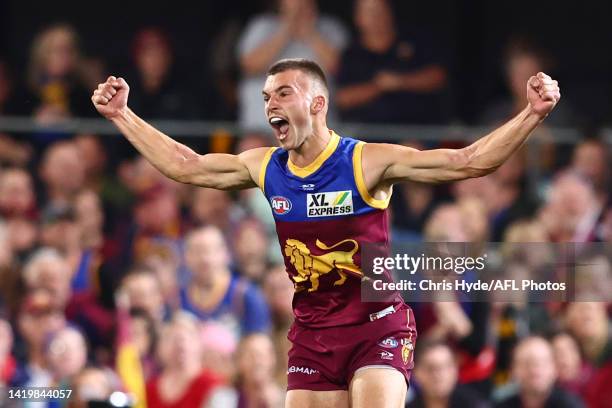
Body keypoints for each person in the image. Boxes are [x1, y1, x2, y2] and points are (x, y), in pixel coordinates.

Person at [92, 57, 560, 407]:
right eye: (266, 97)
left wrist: (532, 115)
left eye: (283, 93)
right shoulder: (265, 166)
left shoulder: (365, 161)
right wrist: (122, 116)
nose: (270, 104)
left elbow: (469, 161)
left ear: (317, 103)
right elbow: (187, 166)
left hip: (376, 327)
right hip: (312, 333)